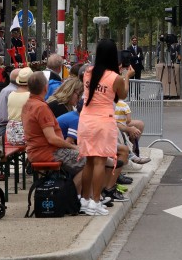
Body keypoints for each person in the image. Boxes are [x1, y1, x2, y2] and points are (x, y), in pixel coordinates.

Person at [79, 40, 129, 216]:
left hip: (86, 119)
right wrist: (125, 76)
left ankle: (84, 199)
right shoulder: (115, 78)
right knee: (100, 161)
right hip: (103, 120)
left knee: (89, 161)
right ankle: (96, 200)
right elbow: (122, 94)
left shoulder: (87, 72)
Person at [22, 70, 85, 188]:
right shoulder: (41, 107)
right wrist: (73, 147)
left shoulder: (28, 104)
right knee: (90, 162)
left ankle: (77, 196)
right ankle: (74, 197)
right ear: (46, 87)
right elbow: (52, 139)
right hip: (48, 152)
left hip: (35, 151)